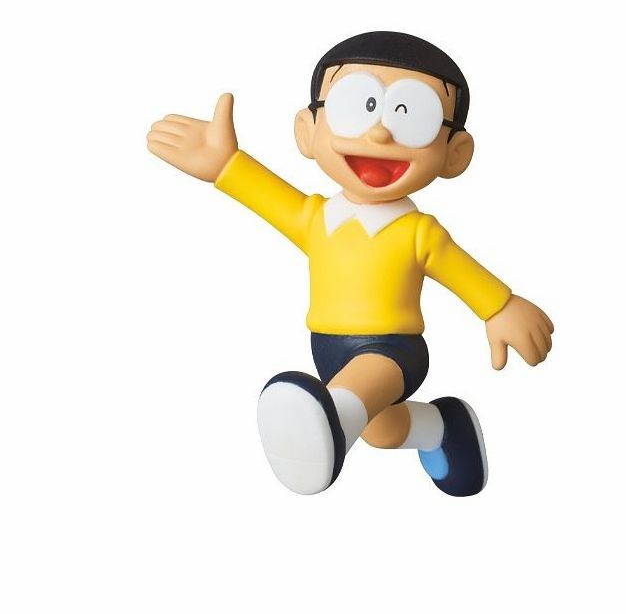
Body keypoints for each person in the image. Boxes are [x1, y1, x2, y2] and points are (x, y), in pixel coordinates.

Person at [147, 31, 554, 496]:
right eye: (356, 107)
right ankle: (440, 428)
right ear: (307, 131)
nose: (379, 133)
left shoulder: (418, 232)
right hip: (326, 346)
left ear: (454, 153)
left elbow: (461, 271)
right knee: (381, 431)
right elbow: (262, 196)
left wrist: (500, 307)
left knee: (345, 406)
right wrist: (225, 164)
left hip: (392, 350)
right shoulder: (315, 218)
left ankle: (329, 429)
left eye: (411, 116)